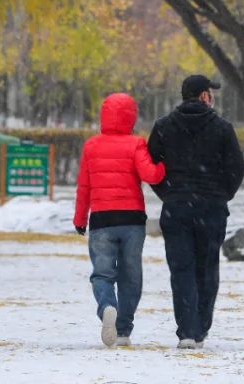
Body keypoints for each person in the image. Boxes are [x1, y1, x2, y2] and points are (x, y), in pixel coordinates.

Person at [147, 74, 244, 349]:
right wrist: (221, 194)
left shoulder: (164, 126)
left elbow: (151, 168)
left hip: (176, 209)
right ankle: (201, 328)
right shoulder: (223, 128)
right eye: (210, 93)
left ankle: (187, 332)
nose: (212, 97)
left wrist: (169, 192)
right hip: (211, 210)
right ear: (204, 96)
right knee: (207, 268)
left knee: (181, 270)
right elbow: (236, 169)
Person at [73, 92, 166, 348]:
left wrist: (80, 219)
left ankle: (107, 307)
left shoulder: (91, 146)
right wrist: (164, 167)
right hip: (132, 220)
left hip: (102, 220)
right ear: (131, 117)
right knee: (130, 275)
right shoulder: (136, 144)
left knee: (102, 274)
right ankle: (123, 329)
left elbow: (84, 187)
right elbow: (151, 175)